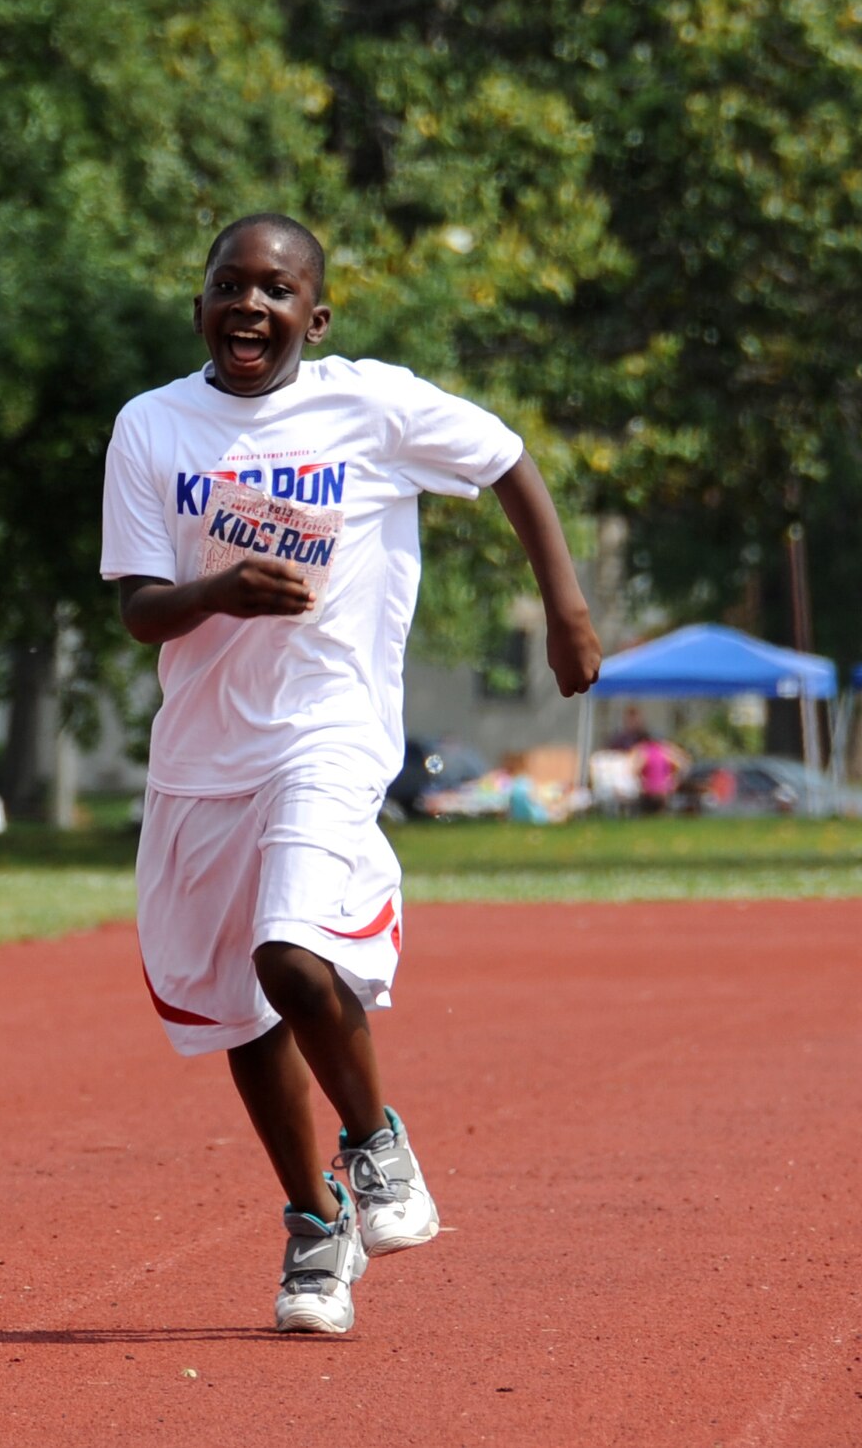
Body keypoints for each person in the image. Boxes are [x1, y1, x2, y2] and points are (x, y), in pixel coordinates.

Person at [99, 213, 599, 1334]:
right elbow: (137, 607)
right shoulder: (150, 428)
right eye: (229, 285)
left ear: (312, 319)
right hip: (201, 756)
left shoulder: (368, 404)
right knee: (239, 1011)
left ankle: (374, 1144)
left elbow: (505, 457)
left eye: (276, 292)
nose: (250, 306)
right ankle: (314, 1230)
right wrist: (217, 591)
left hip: (327, 730)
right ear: (198, 306)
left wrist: (564, 606)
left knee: (289, 953)